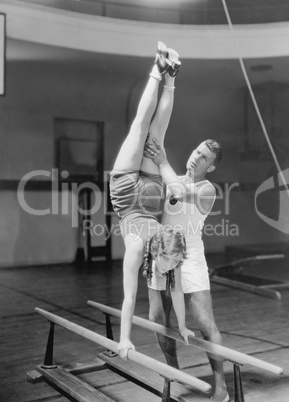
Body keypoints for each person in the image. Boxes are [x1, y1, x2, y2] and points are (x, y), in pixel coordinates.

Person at [109, 41, 194, 360]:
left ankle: (168, 74)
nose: (170, 269)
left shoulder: (168, 251)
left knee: (147, 130)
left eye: (171, 265)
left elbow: (176, 295)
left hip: (136, 195)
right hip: (138, 196)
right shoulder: (143, 249)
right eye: (171, 264)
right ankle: (163, 72)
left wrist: (184, 328)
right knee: (147, 131)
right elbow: (129, 299)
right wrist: (124, 339)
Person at [144, 138, 229, 402]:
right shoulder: (173, 179)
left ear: (211, 167)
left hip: (190, 254)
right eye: (197, 151)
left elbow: (179, 191)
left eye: (204, 157)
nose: (196, 157)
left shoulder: (207, 189)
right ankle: (174, 374)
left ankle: (221, 386)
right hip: (163, 250)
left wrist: (162, 160)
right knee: (158, 318)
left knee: (204, 321)